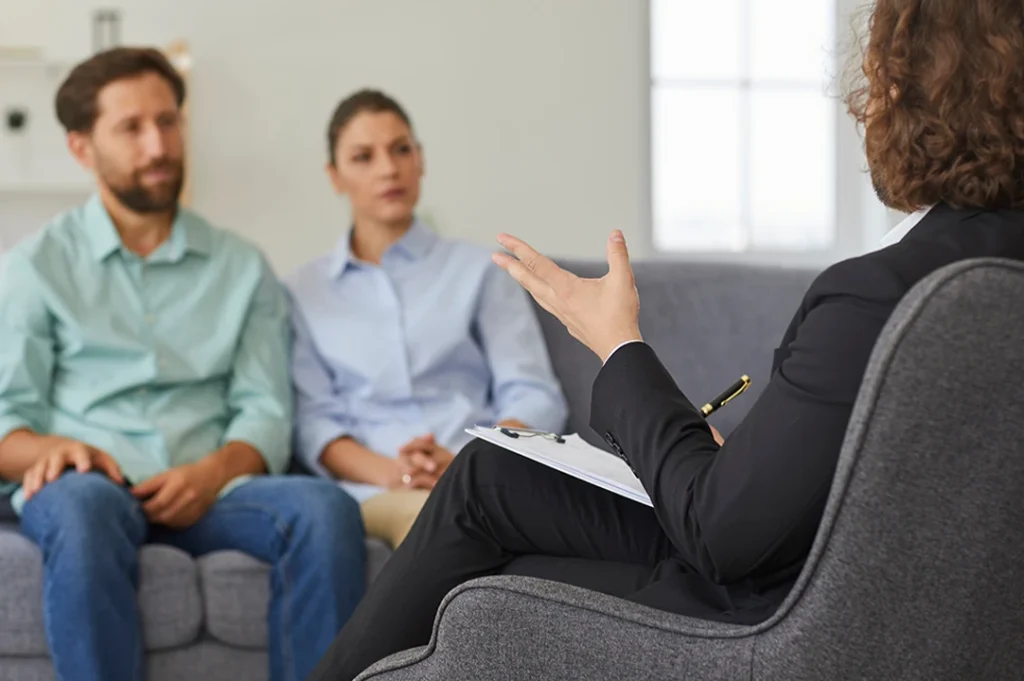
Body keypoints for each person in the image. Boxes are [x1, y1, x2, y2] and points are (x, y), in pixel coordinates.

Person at [308, 1, 1024, 678]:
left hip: (786, 605)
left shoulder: (882, 294)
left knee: (488, 522)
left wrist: (618, 342)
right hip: (869, 581)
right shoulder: (981, 270)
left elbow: (723, 536)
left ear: (906, 91)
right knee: (493, 475)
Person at [0, 47, 367, 681]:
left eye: (168, 122)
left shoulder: (240, 265)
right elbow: (7, 422)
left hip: (214, 490)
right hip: (91, 489)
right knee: (83, 510)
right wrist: (54, 450)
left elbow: (266, 411)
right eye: (131, 128)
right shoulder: (35, 268)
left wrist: (209, 473)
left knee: (325, 511)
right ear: (81, 149)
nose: (158, 145)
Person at [286, 89, 568, 548]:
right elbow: (314, 421)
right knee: (435, 518)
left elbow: (533, 394)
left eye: (401, 149)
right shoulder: (303, 291)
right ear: (334, 177)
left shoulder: (482, 270)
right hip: (376, 488)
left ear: (421, 160)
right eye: (363, 157)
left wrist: (464, 462)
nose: (388, 168)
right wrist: (397, 473)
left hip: (480, 470)